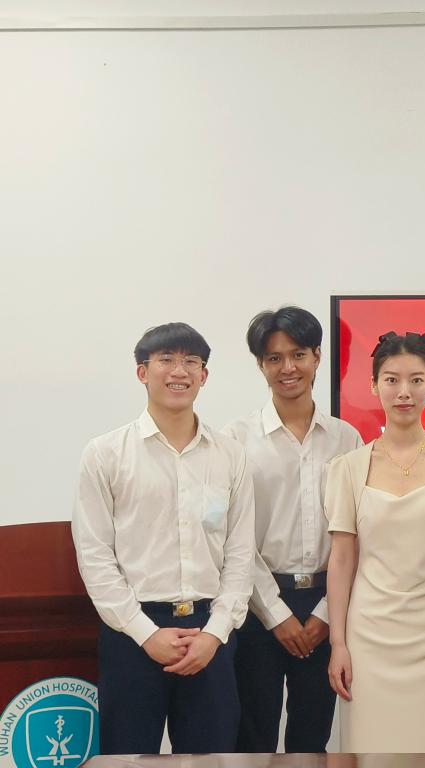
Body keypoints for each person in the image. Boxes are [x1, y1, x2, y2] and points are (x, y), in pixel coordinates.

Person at [72, 322, 254, 754]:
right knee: (128, 758)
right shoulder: (105, 453)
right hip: (132, 634)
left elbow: (240, 552)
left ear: (204, 376)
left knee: (213, 759)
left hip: (210, 633)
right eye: (166, 360)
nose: (179, 371)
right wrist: (144, 633)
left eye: (191, 361)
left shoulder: (230, 455)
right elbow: (95, 556)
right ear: (142, 372)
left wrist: (214, 633)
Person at [324, 331, 425, 752]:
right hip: (367, 637)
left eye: (416, 380)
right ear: (374, 385)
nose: (404, 392)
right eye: (391, 380)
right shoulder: (348, 468)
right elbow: (341, 560)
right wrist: (338, 643)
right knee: (368, 751)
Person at [225, 307, 363, 753]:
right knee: (253, 738)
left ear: (317, 357)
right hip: (256, 604)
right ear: (261, 365)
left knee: (312, 739)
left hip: (326, 603)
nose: (288, 368)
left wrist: (325, 615)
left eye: (298, 354)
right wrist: (276, 614)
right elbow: (230, 536)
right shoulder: (235, 440)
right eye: (274, 358)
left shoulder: (347, 439)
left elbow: (357, 534)